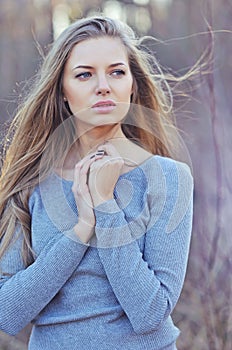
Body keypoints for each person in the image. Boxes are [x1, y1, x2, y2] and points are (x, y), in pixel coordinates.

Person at [0, 16, 193, 350]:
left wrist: (105, 206)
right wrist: (81, 230)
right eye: (84, 74)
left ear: (132, 85)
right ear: (62, 90)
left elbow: (150, 314)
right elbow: (7, 313)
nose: (103, 85)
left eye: (116, 72)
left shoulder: (169, 178)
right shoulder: (33, 181)